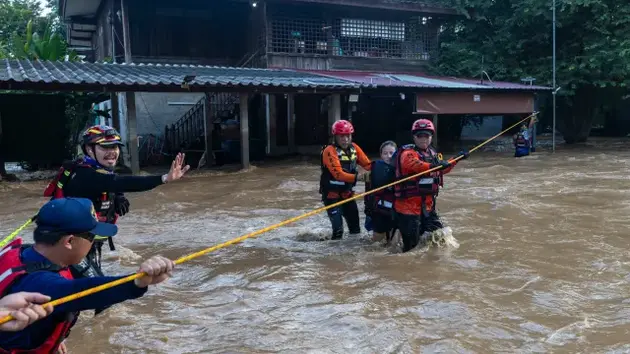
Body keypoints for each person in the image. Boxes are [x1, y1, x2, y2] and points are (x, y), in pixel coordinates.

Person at [0, 197, 175, 353]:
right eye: (92, 237)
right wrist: (137, 282)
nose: (94, 242)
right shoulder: (43, 284)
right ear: (69, 241)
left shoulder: (22, 252)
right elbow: (86, 292)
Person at [42, 125, 188, 288]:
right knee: (98, 291)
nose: (112, 151)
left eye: (115, 147)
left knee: (87, 289)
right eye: (105, 147)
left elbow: (110, 183)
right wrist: (164, 178)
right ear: (89, 149)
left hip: (85, 244)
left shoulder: (94, 169)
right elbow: (119, 182)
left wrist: (117, 196)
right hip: (67, 248)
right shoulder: (85, 175)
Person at [393, 119, 469, 252]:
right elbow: (414, 165)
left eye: (426, 135)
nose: (423, 139)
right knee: (411, 249)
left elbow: (442, 169)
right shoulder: (408, 153)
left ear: (431, 137)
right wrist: (434, 166)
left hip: (427, 206)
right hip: (408, 208)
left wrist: (456, 159)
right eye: (419, 135)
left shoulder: (433, 154)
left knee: (440, 237)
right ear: (414, 137)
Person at [319, 120, 371, 240]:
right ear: (335, 137)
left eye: (348, 136)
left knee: (356, 230)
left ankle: (351, 254)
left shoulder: (355, 148)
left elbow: (368, 165)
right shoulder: (329, 151)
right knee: (338, 231)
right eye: (341, 136)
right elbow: (338, 175)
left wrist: (380, 170)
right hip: (332, 196)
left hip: (347, 195)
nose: (345, 139)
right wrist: (358, 177)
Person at [364, 141, 397, 245]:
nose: (388, 156)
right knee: (376, 245)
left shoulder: (403, 169)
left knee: (393, 244)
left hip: (396, 211)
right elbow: (368, 194)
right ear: (381, 155)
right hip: (379, 211)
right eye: (385, 153)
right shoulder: (373, 169)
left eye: (391, 153)